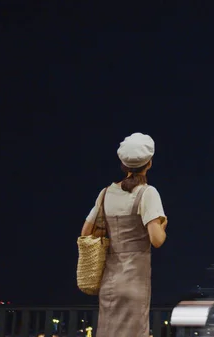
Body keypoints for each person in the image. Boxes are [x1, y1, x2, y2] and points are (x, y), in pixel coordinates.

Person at [80, 132, 168, 337]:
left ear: (123, 164)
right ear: (149, 163)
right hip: (135, 281)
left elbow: (86, 232)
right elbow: (157, 240)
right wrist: (163, 225)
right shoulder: (147, 193)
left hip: (109, 281)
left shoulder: (105, 193)